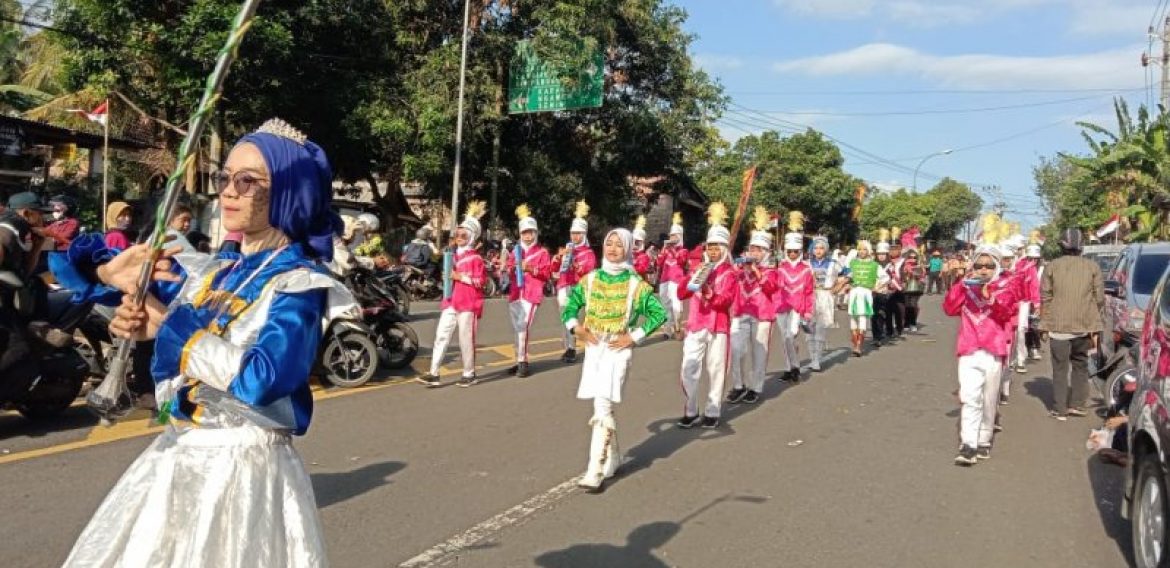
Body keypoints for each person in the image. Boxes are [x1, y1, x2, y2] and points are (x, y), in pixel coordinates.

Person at [53, 118, 352, 566]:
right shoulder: (211, 270)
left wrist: (168, 328)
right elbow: (95, 268)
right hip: (175, 460)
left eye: (247, 181)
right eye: (224, 178)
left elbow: (265, 379)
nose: (228, 191)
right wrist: (111, 278)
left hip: (243, 474)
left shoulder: (299, 286)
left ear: (288, 191)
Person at [561, 228, 666, 492]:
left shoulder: (635, 284)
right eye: (610, 244)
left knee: (602, 405)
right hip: (594, 347)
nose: (613, 249)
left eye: (620, 245)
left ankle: (594, 470)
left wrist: (634, 337)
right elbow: (571, 306)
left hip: (618, 349)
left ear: (628, 250)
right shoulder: (591, 279)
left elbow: (658, 313)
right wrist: (577, 328)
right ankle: (615, 457)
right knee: (601, 404)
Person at [943, 245, 1018, 465]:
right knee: (969, 397)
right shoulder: (966, 287)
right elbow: (949, 308)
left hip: (994, 350)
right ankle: (968, 444)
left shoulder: (1005, 287)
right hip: (968, 349)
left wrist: (992, 298)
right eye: (979, 265)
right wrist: (961, 284)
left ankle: (984, 438)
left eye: (989, 266)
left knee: (988, 399)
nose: (983, 270)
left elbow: (1007, 313)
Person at [677, 203, 738, 430]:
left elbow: (726, 301)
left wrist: (710, 293)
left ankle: (713, 410)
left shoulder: (730, 273)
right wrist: (693, 276)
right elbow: (682, 293)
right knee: (688, 368)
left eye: (717, 248)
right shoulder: (698, 268)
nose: (713, 251)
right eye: (710, 247)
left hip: (718, 326)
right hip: (695, 324)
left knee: (716, 368)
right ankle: (691, 410)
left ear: (724, 249)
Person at [418, 202, 488, 387]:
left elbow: (481, 282)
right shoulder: (452, 255)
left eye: (464, 235)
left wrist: (460, 277)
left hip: (468, 303)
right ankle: (434, 373)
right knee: (441, 335)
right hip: (450, 301)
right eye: (458, 234)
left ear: (472, 237)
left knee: (466, 339)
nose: (460, 237)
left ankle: (469, 373)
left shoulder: (476, 258)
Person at [1038, 228, 1104, 421]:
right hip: (1084, 327)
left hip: (1058, 327)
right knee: (1081, 365)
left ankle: (1060, 409)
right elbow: (1099, 298)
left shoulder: (1052, 267)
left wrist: (1044, 324)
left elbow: (1045, 298)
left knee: (1059, 369)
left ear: (1061, 246)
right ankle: (1078, 405)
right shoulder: (1093, 267)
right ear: (1081, 247)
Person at [727, 207, 778, 404]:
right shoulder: (740, 268)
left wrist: (756, 271)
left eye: (759, 250)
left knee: (759, 353)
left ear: (765, 252)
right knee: (736, 349)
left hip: (762, 316)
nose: (754, 253)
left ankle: (755, 387)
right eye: (752, 249)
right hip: (741, 313)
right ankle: (738, 385)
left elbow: (771, 288)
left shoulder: (770, 269)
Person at [505, 204, 552, 378]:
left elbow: (546, 274)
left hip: (532, 294)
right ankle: (518, 360)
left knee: (523, 326)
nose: (528, 235)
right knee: (517, 328)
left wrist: (530, 268)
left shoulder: (542, 253)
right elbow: (508, 271)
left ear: (536, 233)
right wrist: (512, 268)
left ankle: (523, 361)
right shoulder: (515, 252)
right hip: (516, 293)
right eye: (525, 232)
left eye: (531, 232)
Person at [553, 201, 597, 363]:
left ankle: (590, 344)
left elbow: (587, 271)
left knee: (577, 318)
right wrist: (558, 257)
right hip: (563, 286)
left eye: (578, 233)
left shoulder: (588, 253)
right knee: (566, 318)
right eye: (573, 233)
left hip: (579, 289)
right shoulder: (566, 249)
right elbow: (554, 268)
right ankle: (569, 347)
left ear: (584, 234)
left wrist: (574, 264)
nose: (575, 236)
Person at [775, 213, 814, 381]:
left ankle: (795, 366)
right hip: (781, 307)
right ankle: (789, 367)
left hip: (797, 308)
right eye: (789, 251)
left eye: (795, 251)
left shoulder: (806, 269)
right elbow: (775, 288)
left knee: (791, 336)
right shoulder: (780, 267)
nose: (791, 254)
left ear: (800, 251)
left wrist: (808, 311)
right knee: (784, 338)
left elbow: (809, 292)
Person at [807, 234, 843, 371]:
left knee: (820, 328)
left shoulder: (832, 263)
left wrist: (838, 287)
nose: (818, 250)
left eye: (821, 248)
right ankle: (812, 357)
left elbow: (848, 274)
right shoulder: (807, 263)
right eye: (816, 248)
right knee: (809, 329)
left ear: (826, 249)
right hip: (810, 296)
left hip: (825, 296)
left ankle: (817, 360)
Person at [655, 213, 688, 340]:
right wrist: (664, 249)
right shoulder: (666, 250)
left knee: (676, 305)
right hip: (664, 280)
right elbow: (658, 263)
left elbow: (681, 261)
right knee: (665, 304)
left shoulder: (683, 251)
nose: (672, 238)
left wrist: (673, 250)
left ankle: (678, 328)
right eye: (671, 235)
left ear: (679, 237)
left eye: (675, 236)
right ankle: (667, 329)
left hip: (676, 280)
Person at [845, 240, 880, 357]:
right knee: (853, 318)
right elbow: (848, 276)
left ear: (869, 251)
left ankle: (859, 347)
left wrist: (877, 286)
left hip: (866, 293)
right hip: (854, 292)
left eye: (864, 249)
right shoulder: (853, 263)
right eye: (859, 249)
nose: (861, 252)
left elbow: (885, 278)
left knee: (863, 317)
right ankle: (855, 345)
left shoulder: (874, 265)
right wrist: (845, 284)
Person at [901, 248, 927, 333]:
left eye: (914, 257)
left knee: (913, 305)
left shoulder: (920, 266)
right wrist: (906, 274)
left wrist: (918, 274)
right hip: (906, 288)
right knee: (907, 306)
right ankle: (906, 324)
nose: (912, 258)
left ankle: (913, 324)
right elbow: (902, 276)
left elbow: (922, 276)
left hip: (916, 288)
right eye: (910, 257)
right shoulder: (904, 265)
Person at [631, 215, 652, 280]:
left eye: (637, 242)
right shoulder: (628, 255)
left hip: (639, 284)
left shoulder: (644, 257)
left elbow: (640, 269)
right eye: (632, 241)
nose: (634, 245)